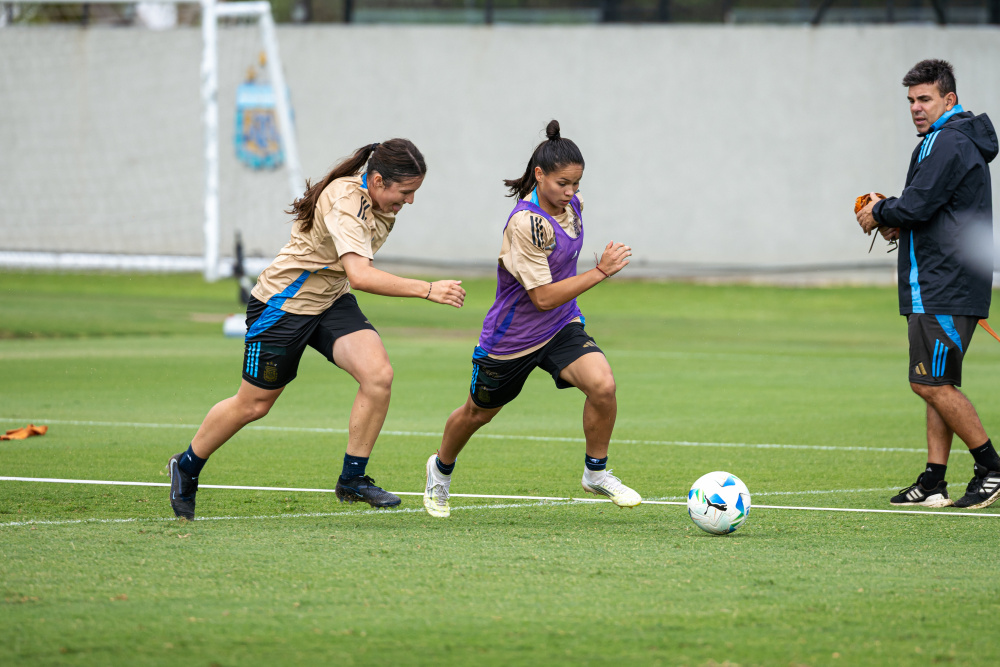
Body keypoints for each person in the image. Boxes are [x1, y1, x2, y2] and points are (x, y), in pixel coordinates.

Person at [168, 139, 467, 519]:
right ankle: (187, 465)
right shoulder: (347, 201)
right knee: (254, 404)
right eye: (406, 192)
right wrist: (428, 290)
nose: (409, 201)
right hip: (282, 307)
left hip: (329, 301)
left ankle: (352, 480)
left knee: (378, 375)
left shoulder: (379, 201)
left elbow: (346, 274)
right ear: (376, 180)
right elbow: (360, 275)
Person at [421, 120, 641, 518]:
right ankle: (439, 470)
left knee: (603, 385)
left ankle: (596, 472)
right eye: (563, 184)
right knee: (477, 414)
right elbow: (540, 298)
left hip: (560, 325)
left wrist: (569, 201)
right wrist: (601, 272)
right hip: (512, 339)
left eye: (576, 183)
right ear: (540, 176)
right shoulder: (525, 224)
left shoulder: (571, 206)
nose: (571, 193)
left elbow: (553, 302)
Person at [857, 59, 999, 509]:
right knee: (936, 380)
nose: (917, 108)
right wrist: (898, 218)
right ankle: (934, 479)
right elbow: (935, 210)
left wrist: (879, 212)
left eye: (925, 99)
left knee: (930, 384)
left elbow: (918, 205)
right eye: (911, 101)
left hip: (944, 283)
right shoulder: (949, 141)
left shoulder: (947, 141)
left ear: (949, 100)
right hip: (943, 280)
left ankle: (991, 467)